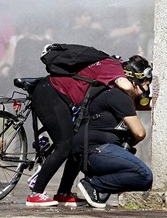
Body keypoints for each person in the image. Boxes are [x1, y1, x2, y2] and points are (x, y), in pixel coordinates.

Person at [26, 49, 137, 207]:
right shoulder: (113, 67)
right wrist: (136, 93)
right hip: (51, 93)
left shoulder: (105, 67)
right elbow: (126, 87)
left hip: (59, 95)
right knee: (64, 145)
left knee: (77, 143)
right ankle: (35, 194)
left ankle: (63, 192)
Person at [74, 55, 153, 208]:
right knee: (144, 175)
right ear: (135, 81)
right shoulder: (119, 97)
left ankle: (97, 183)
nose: (147, 89)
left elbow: (145, 105)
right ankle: (94, 184)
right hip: (96, 151)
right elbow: (140, 133)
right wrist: (131, 141)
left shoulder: (114, 93)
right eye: (146, 84)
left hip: (91, 151)